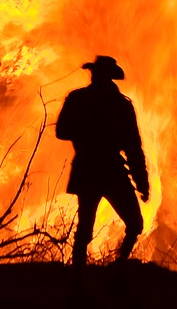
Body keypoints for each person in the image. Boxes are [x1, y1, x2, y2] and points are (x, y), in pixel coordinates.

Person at [54, 55, 150, 274]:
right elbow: (133, 147)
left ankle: (102, 273)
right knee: (125, 225)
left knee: (90, 229)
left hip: (93, 169)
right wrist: (141, 182)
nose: (96, 76)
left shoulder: (83, 99)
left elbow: (133, 147)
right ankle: (98, 274)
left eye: (99, 73)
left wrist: (141, 181)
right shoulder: (119, 105)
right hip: (106, 170)